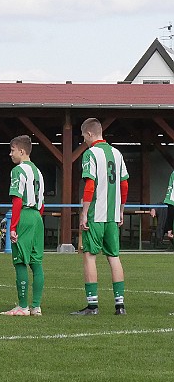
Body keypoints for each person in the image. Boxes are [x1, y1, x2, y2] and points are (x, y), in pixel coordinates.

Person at [71, 117, 128, 316]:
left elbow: (89, 185)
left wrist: (84, 213)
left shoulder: (91, 154)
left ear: (89, 134)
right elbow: (124, 185)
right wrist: (121, 210)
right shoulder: (117, 153)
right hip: (112, 214)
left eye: (83, 136)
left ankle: (92, 305)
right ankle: (120, 305)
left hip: (96, 213)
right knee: (114, 257)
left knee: (89, 255)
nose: (83, 140)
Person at [0, 135, 45, 316]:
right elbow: (42, 203)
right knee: (36, 262)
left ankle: (22, 306)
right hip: (37, 217)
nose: (10, 154)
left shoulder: (18, 171)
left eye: (12, 150)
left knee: (20, 261)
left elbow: (17, 200)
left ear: (22, 151)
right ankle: (36, 306)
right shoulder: (39, 172)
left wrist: (13, 226)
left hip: (25, 215)